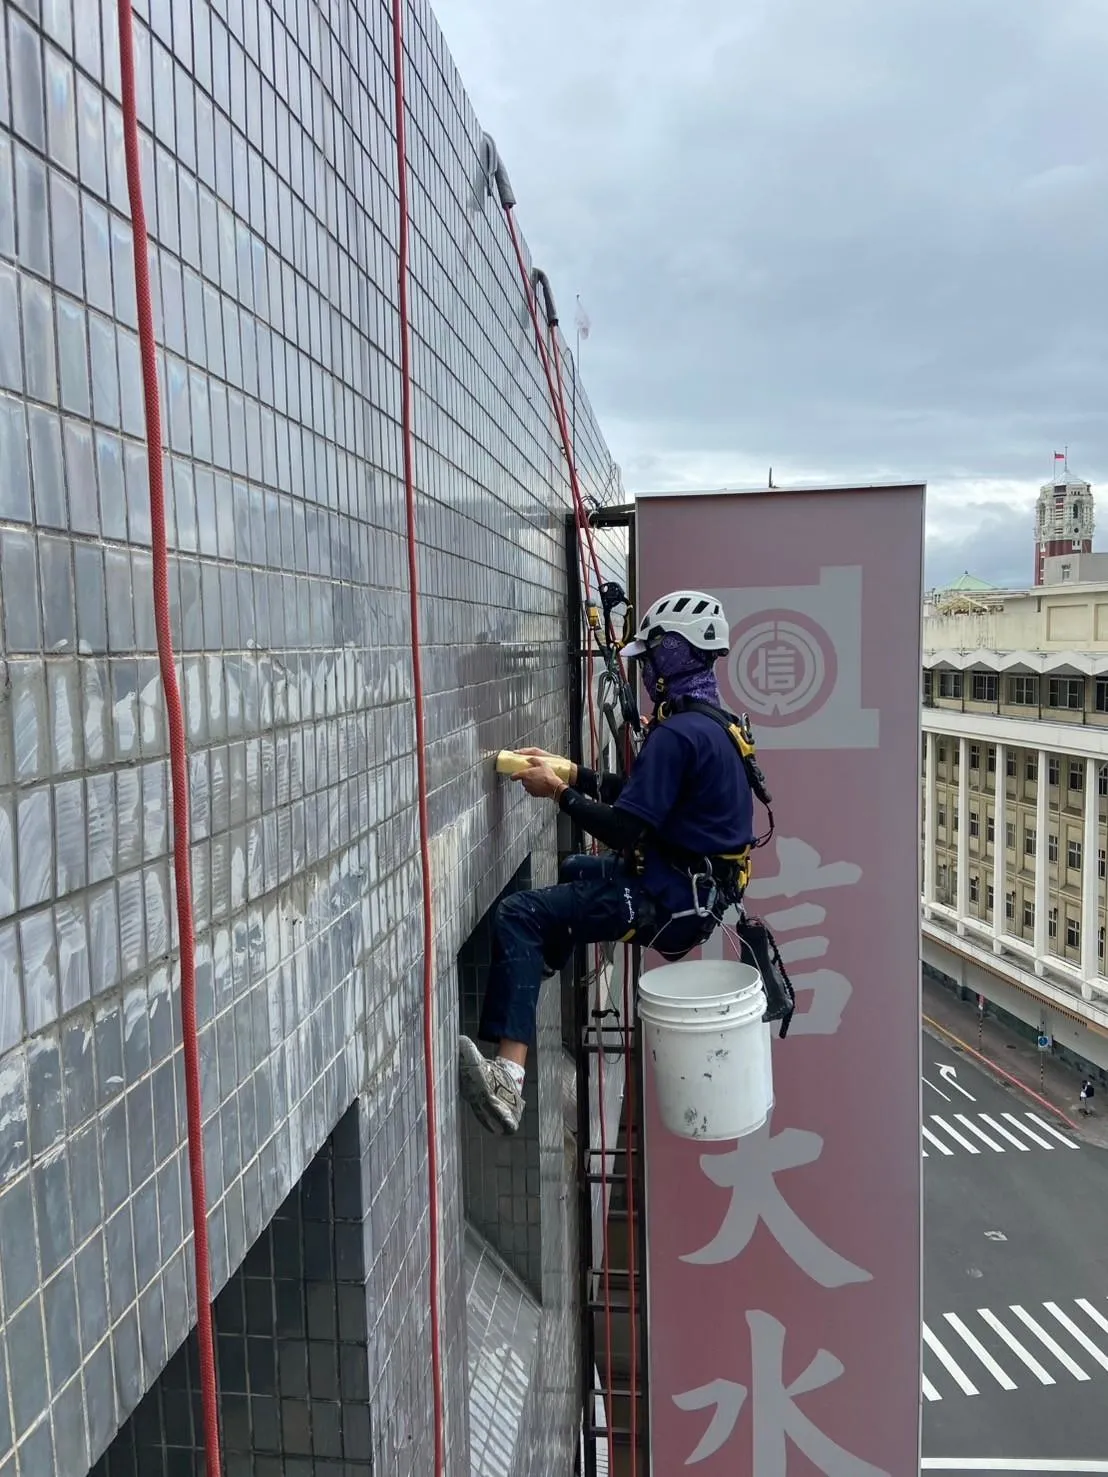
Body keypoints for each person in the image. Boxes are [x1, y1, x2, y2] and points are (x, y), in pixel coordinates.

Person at [458, 590, 758, 1135]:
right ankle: (527, 970)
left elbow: (624, 827)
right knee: (574, 872)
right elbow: (645, 799)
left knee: (520, 915)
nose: (646, 670)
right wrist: (572, 773)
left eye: (651, 657)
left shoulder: (678, 734)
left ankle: (507, 1080)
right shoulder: (714, 726)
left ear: (674, 653)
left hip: (663, 898)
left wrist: (557, 793)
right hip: (687, 896)